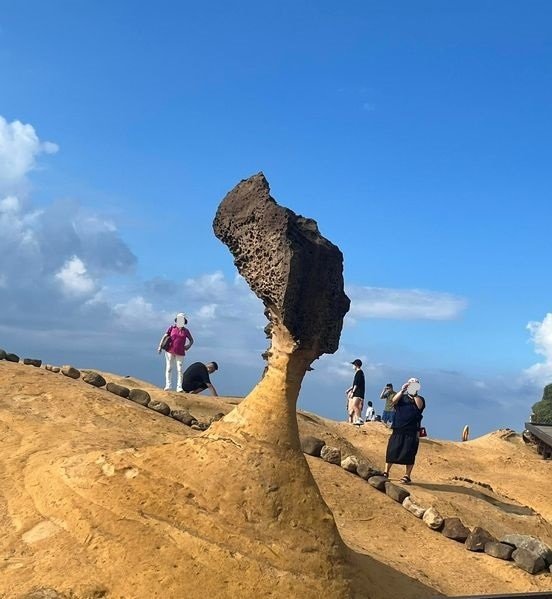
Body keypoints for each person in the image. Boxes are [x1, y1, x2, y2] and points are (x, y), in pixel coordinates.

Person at [384, 377, 426, 484]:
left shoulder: (420, 398)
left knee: (410, 453)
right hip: (398, 428)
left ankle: (407, 475)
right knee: (392, 451)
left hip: (412, 430)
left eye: (415, 384)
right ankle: (386, 472)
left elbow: (419, 406)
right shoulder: (401, 397)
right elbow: (393, 401)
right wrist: (402, 390)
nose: (412, 385)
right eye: (411, 383)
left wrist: (414, 393)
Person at [157, 313, 194, 392]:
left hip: (180, 352)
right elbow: (164, 336)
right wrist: (160, 346)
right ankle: (168, 385)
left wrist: (188, 346)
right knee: (169, 368)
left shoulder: (186, 331)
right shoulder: (172, 328)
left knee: (180, 369)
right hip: (170, 350)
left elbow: (191, 340)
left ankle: (179, 387)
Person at [346, 359, 365, 425]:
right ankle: (358, 419)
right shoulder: (360, 373)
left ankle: (359, 419)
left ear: (356, 365)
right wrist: (349, 389)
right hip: (359, 392)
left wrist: (352, 392)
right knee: (356, 406)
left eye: (353, 365)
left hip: (358, 392)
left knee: (354, 405)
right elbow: (355, 384)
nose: (353, 366)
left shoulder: (359, 372)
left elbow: (356, 384)